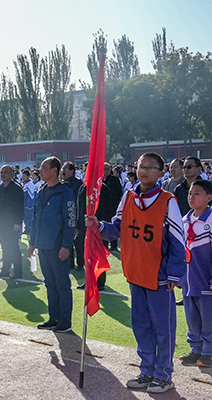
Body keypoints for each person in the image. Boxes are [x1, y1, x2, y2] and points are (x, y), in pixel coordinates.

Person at [86, 152, 186, 393]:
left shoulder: (167, 200)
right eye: (142, 166)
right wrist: (98, 226)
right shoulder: (128, 196)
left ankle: (163, 374)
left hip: (159, 276)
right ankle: (147, 370)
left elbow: (177, 240)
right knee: (141, 326)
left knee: (163, 328)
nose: (145, 171)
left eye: (151, 168)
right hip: (135, 272)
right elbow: (117, 228)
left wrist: (174, 273)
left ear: (161, 173)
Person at [27, 157, 76, 333]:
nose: (41, 171)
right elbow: (36, 219)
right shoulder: (41, 191)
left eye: (44, 167)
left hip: (57, 245)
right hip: (43, 244)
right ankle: (54, 317)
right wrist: (32, 242)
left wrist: (66, 245)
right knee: (50, 283)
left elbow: (70, 220)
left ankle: (65, 319)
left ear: (54, 170)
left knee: (62, 283)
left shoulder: (65, 192)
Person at [178, 179, 212, 368]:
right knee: (191, 315)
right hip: (188, 279)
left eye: (197, 194)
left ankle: (209, 351)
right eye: (190, 193)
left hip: (205, 279)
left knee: (208, 317)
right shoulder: (184, 220)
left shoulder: (211, 220)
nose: (191, 197)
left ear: (209, 197)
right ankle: (196, 349)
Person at [0, 165, 25, 280]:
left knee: (13, 247)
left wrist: (17, 222)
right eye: (1, 172)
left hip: (11, 224)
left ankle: (18, 272)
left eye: (6, 172)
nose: (3, 174)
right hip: (0, 223)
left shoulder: (16, 188)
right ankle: (5, 270)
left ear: (12, 174)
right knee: (5, 247)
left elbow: (20, 207)